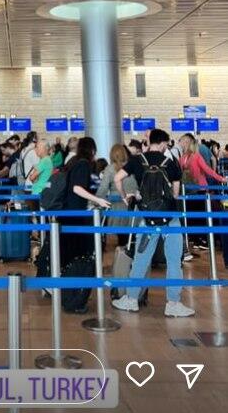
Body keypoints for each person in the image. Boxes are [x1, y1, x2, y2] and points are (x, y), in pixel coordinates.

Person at [113, 128, 195, 318]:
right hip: (170, 217)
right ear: (163, 143)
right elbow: (175, 193)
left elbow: (117, 179)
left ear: (150, 142)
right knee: (174, 261)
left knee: (141, 259)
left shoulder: (137, 160)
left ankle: (131, 299)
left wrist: (126, 196)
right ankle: (173, 303)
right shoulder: (171, 162)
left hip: (147, 218)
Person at [62, 137, 110, 262]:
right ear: (92, 150)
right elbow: (77, 188)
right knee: (78, 246)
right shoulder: (83, 164)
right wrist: (97, 200)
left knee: (71, 246)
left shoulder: (74, 162)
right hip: (75, 211)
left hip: (69, 210)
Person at [179, 132, 227, 250]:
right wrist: (221, 179)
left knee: (195, 216)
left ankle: (198, 239)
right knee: (200, 216)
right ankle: (201, 239)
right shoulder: (192, 156)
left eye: (182, 142)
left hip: (192, 190)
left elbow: (205, 170)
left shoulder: (185, 158)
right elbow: (207, 170)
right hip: (197, 190)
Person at [97, 144, 138, 247]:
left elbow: (103, 189)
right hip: (134, 206)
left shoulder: (110, 169)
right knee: (133, 236)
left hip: (117, 206)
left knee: (121, 238)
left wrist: (94, 201)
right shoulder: (132, 165)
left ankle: (123, 252)